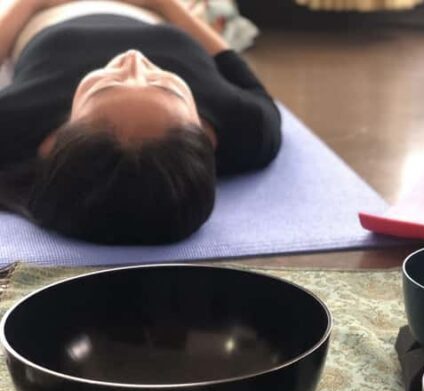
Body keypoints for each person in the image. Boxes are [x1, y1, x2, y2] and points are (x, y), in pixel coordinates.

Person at [0, 0, 281, 244]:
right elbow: (236, 69)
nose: (134, 59)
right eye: (165, 85)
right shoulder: (245, 128)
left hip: (49, 11)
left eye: (104, 86)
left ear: (53, 143)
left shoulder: (17, 124)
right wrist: (164, 4)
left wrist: (30, 4)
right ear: (207, 137)